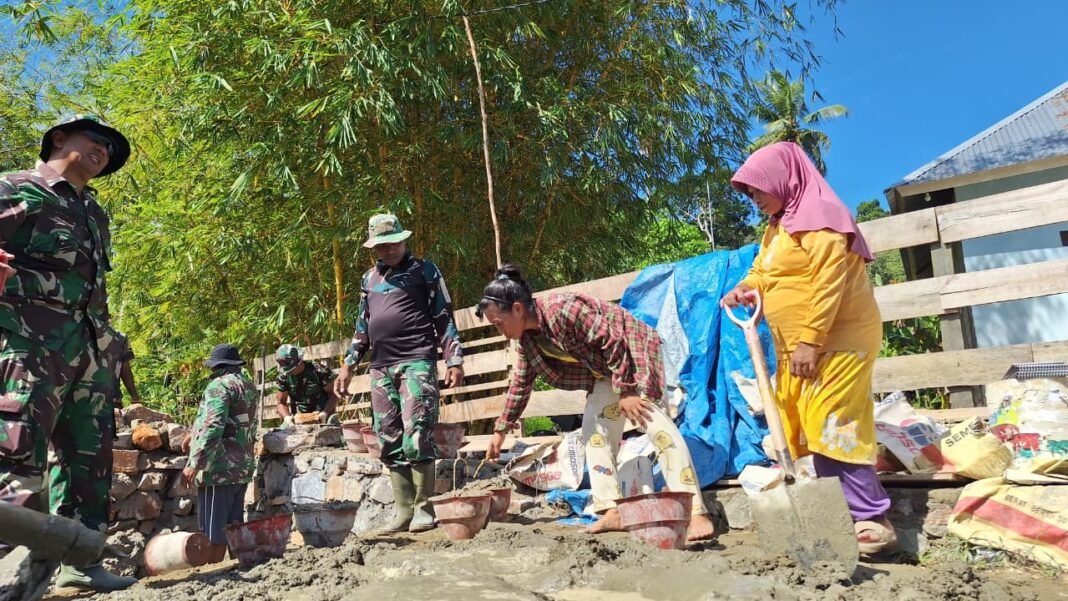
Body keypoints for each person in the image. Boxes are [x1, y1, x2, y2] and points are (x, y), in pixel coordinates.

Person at [720, 141, 897, 554]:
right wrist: (745, 287)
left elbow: (828, 284)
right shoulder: (778, 227)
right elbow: (763, 271)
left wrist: (810, 341)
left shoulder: (823, 218)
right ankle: (835, 518)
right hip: (797, 347)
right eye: (749, 193)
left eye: (758, 188)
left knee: (832, 422)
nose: (754, 198)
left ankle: (873, 519)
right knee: (796, 424)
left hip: (837, 342)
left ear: (782, 178)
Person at [480, 265, 717, 541]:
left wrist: (627, 391)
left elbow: (613, 340)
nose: (500, 331)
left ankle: (696, 512)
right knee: (594, 433)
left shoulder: (560, 309)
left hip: (634, 355)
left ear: (518, 309)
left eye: (499, 323)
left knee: (657, 428)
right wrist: (500, 430)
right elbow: (521, 383)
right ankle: (612, 510)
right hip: (607, 371)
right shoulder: (529, 342)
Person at [0, 115, 136, 591]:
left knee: (89, 462)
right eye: (97, 140)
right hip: (28, 346)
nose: (104, 152)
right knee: (15, 457)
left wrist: (113, 349)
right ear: (59, 138)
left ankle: (80, 566)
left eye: (110, 151)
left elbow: (91, 286)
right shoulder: (17, 188)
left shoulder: (92, 211)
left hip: (90, 352)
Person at [334, 214, 464, 533]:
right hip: (380, 367)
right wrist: (348, 365)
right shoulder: (369, 279)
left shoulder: (425, 271)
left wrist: (454, 359)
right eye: (382, 245)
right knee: (388, 435)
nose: (389, 250)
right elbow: (362, 326)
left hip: (416, 361)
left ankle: (424, 508)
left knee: (416, 430)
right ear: (374, 247)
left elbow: (444, 317)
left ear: (404, 241)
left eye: (393, 243)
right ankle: (404, 511)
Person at [181, 344, 257, 563]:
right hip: (242, 466)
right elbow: (234, 421)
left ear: (216, 366)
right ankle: (237, 566)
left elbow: (214, 425)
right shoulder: (248, 386)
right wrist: (193, 433)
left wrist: (195, 463)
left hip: (218, 469)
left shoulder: (219, 386)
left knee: (214, 531)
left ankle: (215, 572)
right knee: (234, 526)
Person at [274, 344, 338, 425]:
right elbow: (281, 402)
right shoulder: (283, 377)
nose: (290, 371)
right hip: (298, 418)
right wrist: (287, 417)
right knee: (281, 431)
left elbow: (334, 394)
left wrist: (325, 412)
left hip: (323, 415)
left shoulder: (319, 371)